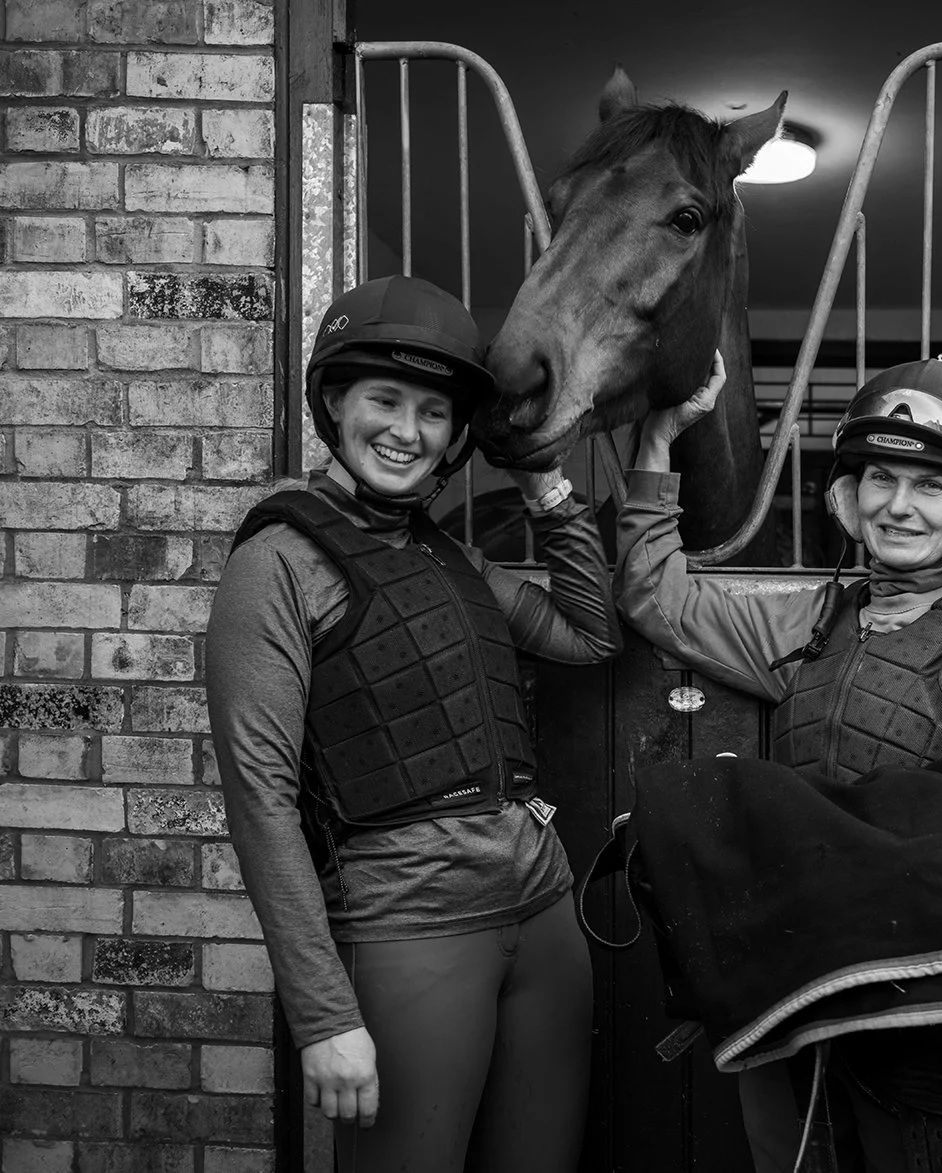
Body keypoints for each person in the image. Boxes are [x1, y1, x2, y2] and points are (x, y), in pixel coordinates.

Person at [615, 351, 942, 1172]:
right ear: (849, 494)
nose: (898, 505)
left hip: (930, 1005)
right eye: (880, 478)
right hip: (796, 986)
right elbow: (655, 597)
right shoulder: (812, 622)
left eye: (930, 485)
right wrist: (658, 444)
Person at [207, 275, 621, 1172]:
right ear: (333, 403)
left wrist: (544, 481)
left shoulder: (450, 554)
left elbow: (590, 632)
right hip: (409, 931)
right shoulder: (277, 562)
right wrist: (324, 1016)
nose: (406, 430)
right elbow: (260, 799)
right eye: (384, 401)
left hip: (544, 919)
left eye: (433, 412)